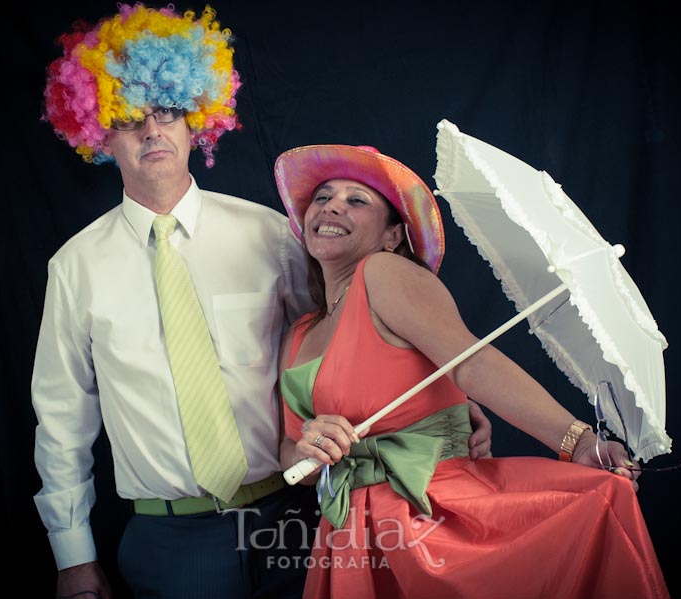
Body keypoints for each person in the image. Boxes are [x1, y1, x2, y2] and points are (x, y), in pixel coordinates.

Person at [31, 6, 493, 599]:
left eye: (167, 111)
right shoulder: (74, 269)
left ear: (196, 119)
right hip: (170, 540)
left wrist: (441, 408)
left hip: (295, 514)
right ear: (96, 132)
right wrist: (72, 555)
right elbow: (62, 420)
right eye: (127, 118)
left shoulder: (272, 235)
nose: (152, 132)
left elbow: (344, 343)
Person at [274, 144, 670, 598]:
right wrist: (311, 447)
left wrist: (577, 440)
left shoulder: (383, 272)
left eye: (356, 200)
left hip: (437, 521)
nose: (332, 206)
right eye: (323, 197)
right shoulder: (299, 332)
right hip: (351, 533)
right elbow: (291, 456)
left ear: (392, 236)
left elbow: (474, 365)